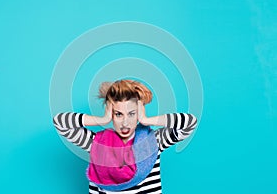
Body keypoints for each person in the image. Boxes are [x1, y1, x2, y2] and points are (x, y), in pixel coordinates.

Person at [53, 79, 197, 194]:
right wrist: (102, 119)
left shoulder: (154, 141)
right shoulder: (97, 143)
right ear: (111, 114)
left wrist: (147, 120)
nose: (125, 123)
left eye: (132, 113)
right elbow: (60, 122)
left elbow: (189, 123)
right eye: (118, 114)